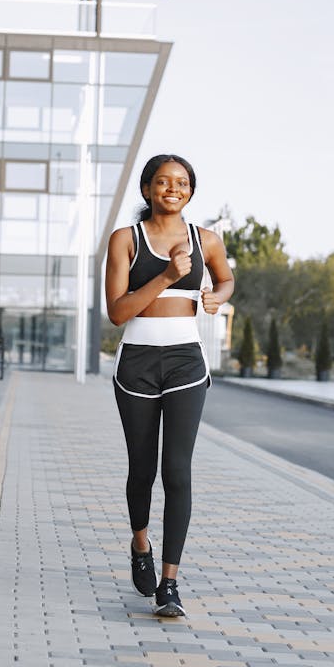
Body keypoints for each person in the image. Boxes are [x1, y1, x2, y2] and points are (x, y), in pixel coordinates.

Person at [105, 153, 234, 617]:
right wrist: (167, 276)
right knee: (142, 470)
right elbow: (118, 312)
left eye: (181, 182)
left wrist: (216, 297)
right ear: (147, 190)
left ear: (190, 192)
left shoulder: (207, 240)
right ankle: (140, 541)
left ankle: (169, 583)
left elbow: (226, 279)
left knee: (177, 472)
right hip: (136, 363)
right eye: (162, 182)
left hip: (185, 363)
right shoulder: (126, 240)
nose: (172, 189)